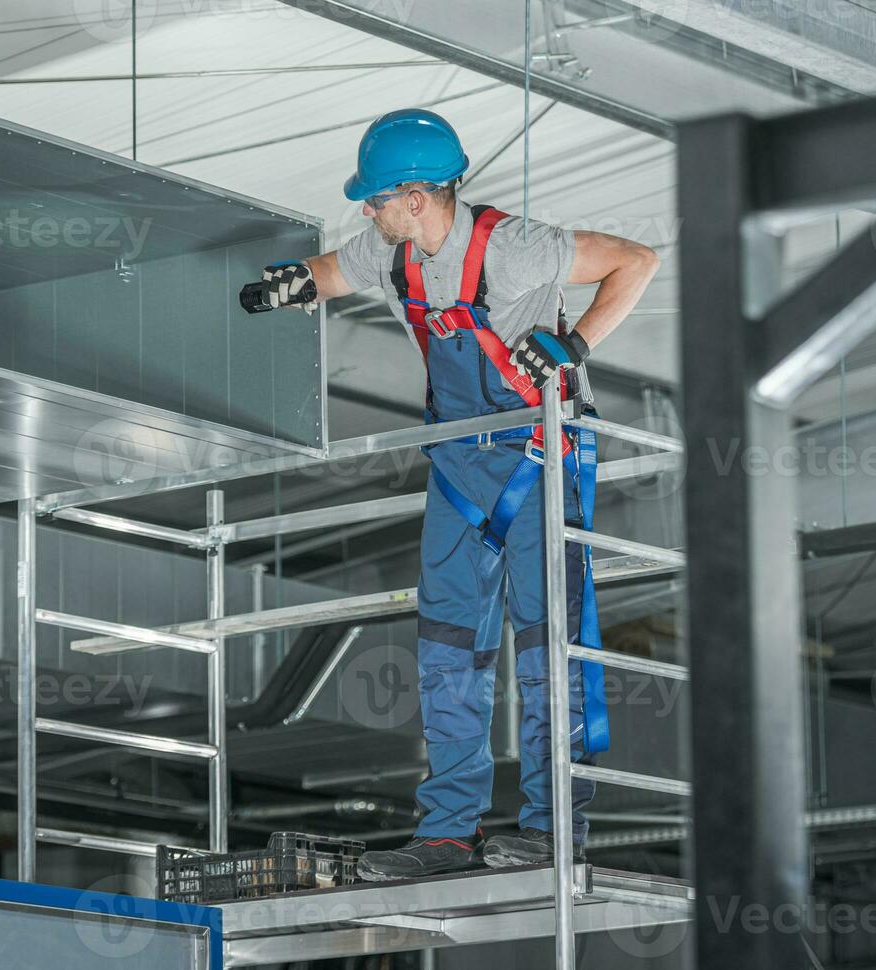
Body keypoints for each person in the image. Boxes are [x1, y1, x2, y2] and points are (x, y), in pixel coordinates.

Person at [241, 108, 659, 880]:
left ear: (416, 197)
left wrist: (574, 345)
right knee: (444, 649)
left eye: (374, 199)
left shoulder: (514, 246)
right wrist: (295, 286)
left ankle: (549, 825)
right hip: (457, 462)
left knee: (543, 643)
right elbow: (336, 272)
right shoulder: (388, 251)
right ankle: (446, 831)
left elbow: (636, 259)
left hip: (540, 452)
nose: (365, 211)